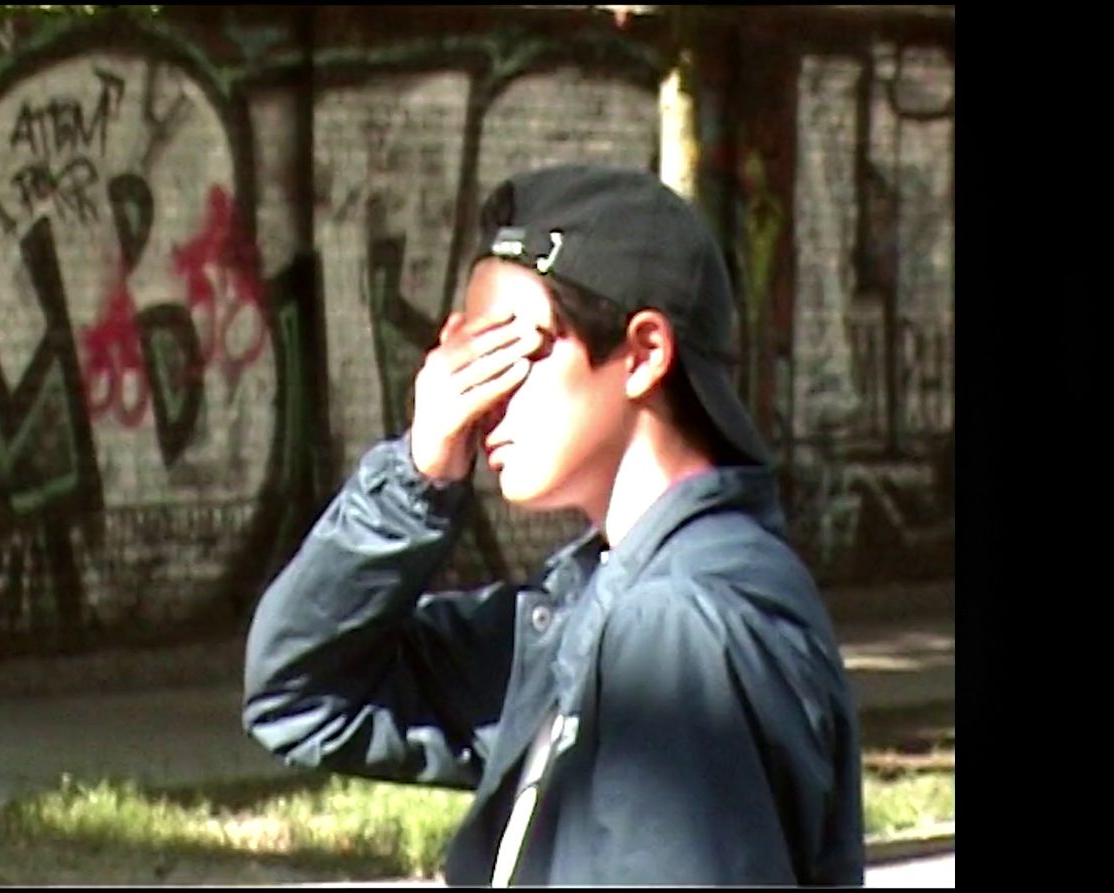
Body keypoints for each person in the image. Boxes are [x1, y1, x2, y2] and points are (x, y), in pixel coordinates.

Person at [241, 164, 864, 886]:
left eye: (511, 352)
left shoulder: (675, 630)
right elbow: (302, 693)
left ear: (644, 352)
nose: (480, 399)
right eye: (467, 357)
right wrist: (418, 475)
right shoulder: (593, 609)